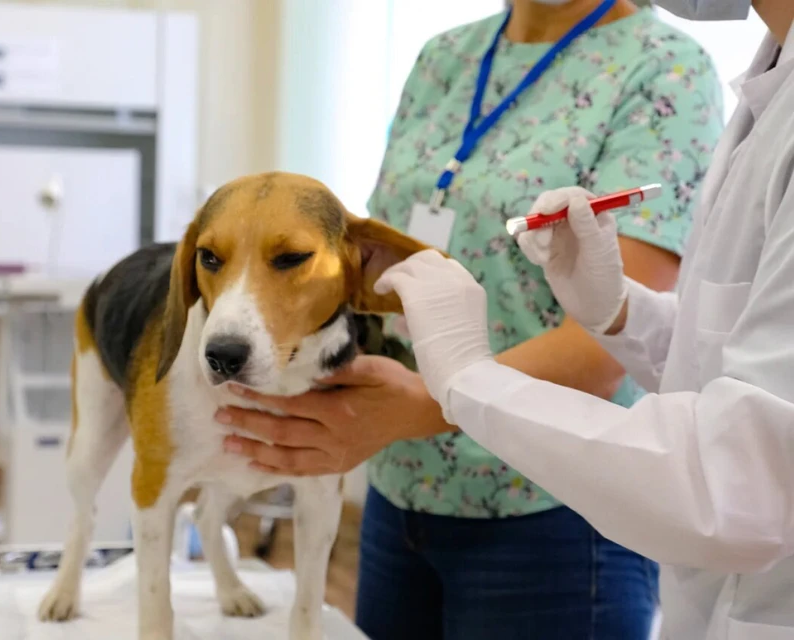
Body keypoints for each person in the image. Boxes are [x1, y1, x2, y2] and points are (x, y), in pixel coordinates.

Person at [220, 0, 794, 637]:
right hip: (402, 484)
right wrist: (617, 310)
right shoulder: (445, 58)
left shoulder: (663, 70)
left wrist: (441, 391)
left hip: (544, 511)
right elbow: (700, 339)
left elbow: (723, 454)